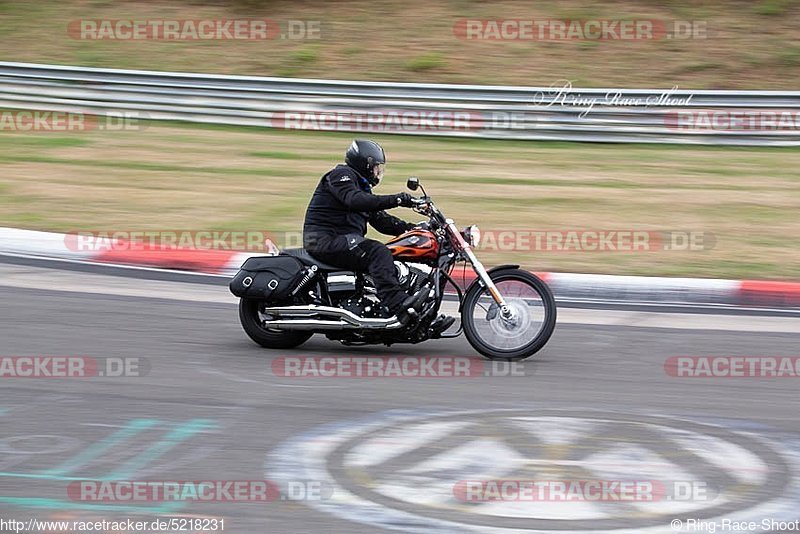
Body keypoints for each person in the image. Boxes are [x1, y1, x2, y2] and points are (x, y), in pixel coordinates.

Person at [303, 139, 425, 321]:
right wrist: (398, 199)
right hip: (324, 240)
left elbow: (382, 221)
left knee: (390, 250)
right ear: (365, 164)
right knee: (378, 252)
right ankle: (398, 305)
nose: (378, 172)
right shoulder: (340, 176)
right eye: (376, 167)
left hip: (340, 240)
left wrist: (415, 229)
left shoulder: (361, 189)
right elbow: (354, 200)